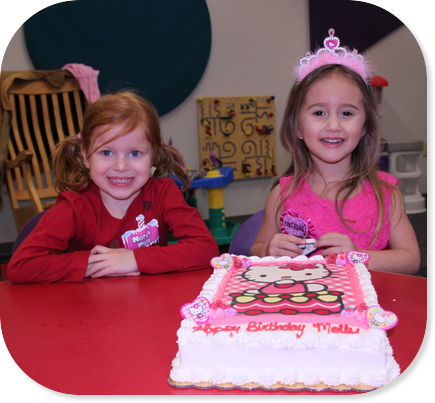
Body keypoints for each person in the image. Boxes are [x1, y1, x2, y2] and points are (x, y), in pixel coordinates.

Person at [251, 29, 420, 274]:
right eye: (319, 113)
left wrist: (359, 258)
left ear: (364, 127)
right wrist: (267, 251)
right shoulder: (282, 196)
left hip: (368, 309)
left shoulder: (386, 195)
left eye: (347, 113)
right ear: (298, 127)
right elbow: (255, 249)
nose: (333, 125)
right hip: (303, 307)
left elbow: (411, 260)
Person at [8, 91, 219, 283]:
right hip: (89, 313)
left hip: (150, 309)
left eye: (135, 153)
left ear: (153, 156)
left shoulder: (163, 193)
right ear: (86, 157)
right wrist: (95, 264)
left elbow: (205, 248)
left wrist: (134, 260)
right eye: (106, 153)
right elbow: (21, 266)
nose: (121, 166)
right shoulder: (74, 206)